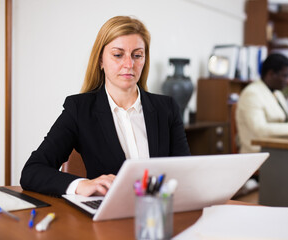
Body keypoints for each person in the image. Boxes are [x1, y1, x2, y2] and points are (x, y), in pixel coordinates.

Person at [20, 16, 191, 197]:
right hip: (108, 217)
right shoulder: (80, 110)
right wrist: (81, 185)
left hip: (158, 213)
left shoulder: (167, 108)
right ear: (101, 60)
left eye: (137, 55)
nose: (129, 64)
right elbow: (32, 171)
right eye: (118, 55)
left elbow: (187, 173)